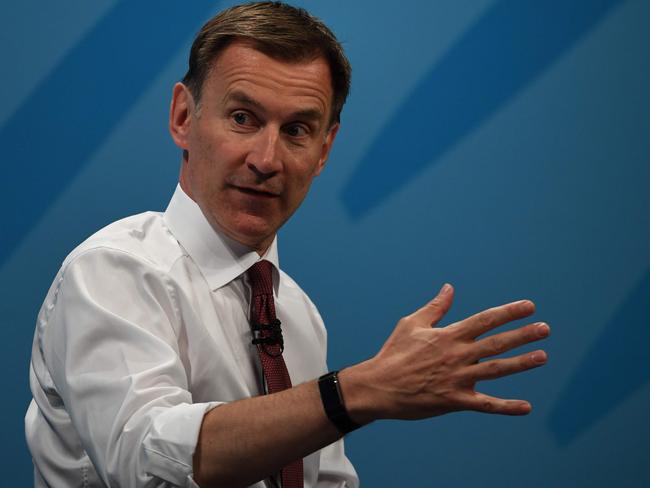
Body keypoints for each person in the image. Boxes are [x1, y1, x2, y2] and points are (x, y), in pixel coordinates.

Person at [25, 2, 550, 487]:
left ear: (324, 151)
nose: (267, 158)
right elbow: (144, 463)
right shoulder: (113, 270)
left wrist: (348, 395)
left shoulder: (297, 314)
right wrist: (358, 391)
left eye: (297, 129)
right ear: (184, 117)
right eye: (242, 118)